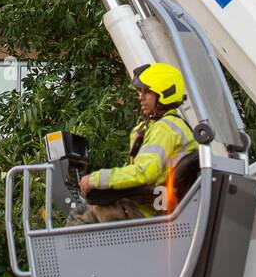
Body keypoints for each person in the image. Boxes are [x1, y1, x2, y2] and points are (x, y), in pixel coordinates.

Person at [67, 63, 198, 225]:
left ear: (165, 94)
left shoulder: (164, 129)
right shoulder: (173, 126)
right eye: (140, 92)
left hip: (144, 210)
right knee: (86, 206)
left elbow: (143, 173)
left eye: (147, 92)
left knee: (78, 218)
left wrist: (95, 179)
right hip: (152, 207)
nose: (140, 97)